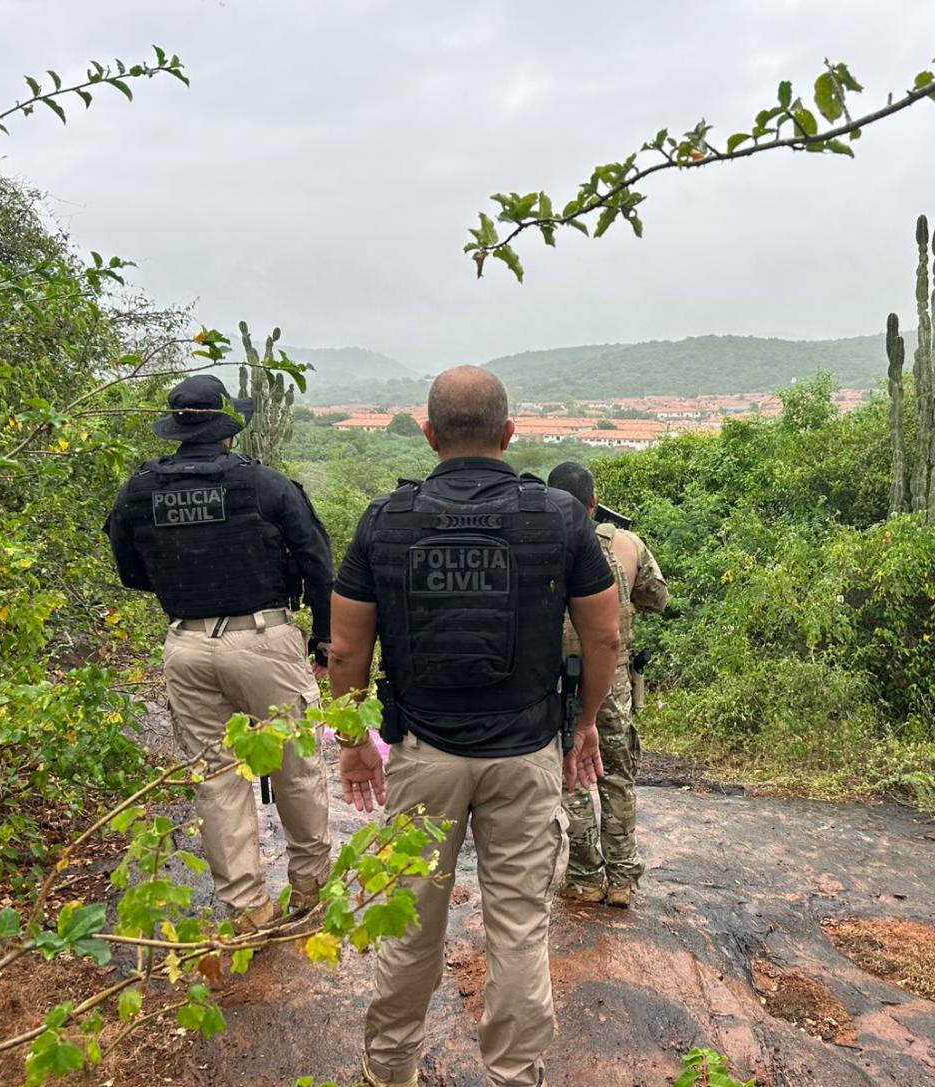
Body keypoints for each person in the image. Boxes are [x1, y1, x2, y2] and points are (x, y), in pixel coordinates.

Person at [328, 366, 620, 1087]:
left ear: (429, 434)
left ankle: (389, 1067)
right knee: (518, 926)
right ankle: (515, 1074)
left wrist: (355, 745)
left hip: (421, 752)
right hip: (525, 753)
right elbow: (604, 637)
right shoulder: (560, 517)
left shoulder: (384, 521)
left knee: (409, 919)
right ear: (509, 433)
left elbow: (344, 651)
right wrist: (584, 724)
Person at [103, 373, 334, 932]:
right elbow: (318, 565)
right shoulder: (267, 485)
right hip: (263, 639)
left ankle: (247, 908)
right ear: (228, 429)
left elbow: (131, 571)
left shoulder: (139, 491)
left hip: (185, 644)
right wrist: (324, 639)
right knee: (296, 768)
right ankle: (310, 888)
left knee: (215, 777)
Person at [546, 461, 668, 909]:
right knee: (617, 775)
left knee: (571, 776)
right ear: (594, 503)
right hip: (611, 677)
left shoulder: (537, 542)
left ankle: (583, 876)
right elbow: (657, 599)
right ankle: (621, 878)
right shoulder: (626, 543)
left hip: (554, 679)